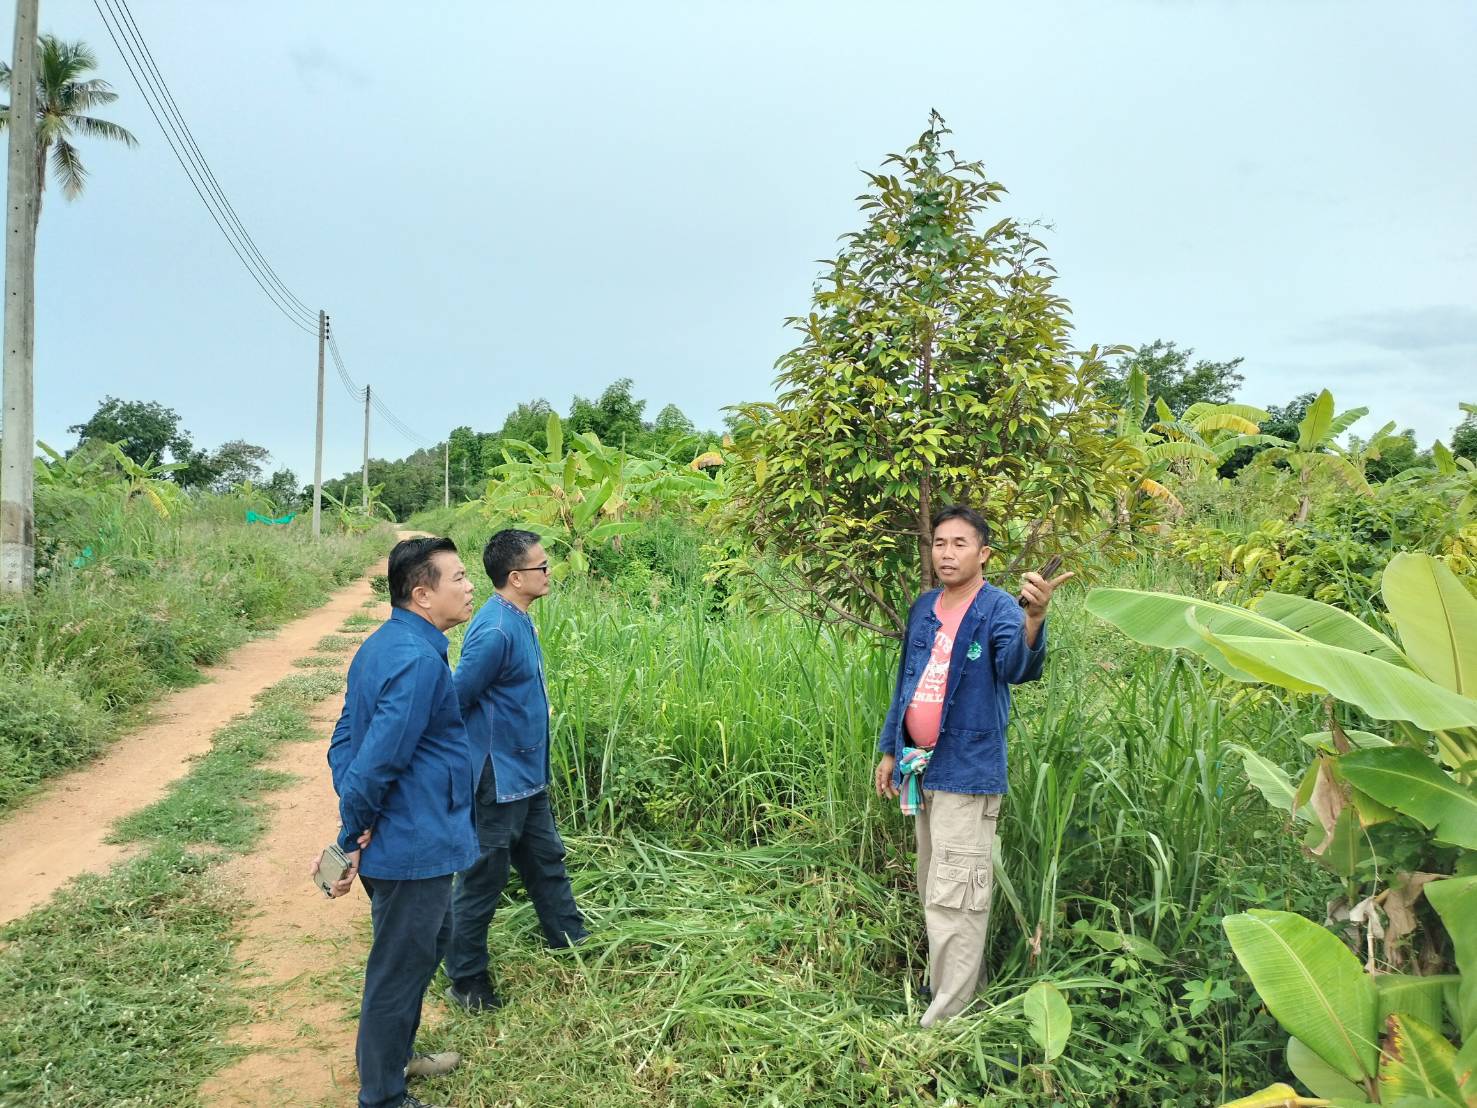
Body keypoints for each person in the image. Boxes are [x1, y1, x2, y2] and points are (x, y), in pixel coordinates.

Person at [873, 505, 1071, 1028]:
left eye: (960, 543)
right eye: (939, 543)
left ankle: (946, 1021)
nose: (947, 553)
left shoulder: (1000, 608)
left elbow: (1016, 667)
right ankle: (958, 989)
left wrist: (1034, 618)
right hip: (921, 767)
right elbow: (907, 683)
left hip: (967, 770)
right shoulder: (924, 607)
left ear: (983, 553)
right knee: (934, 885)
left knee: (956, 895)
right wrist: (890, 749)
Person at [319, 536, 480, 1108]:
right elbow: (376, 756)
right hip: (412, 843)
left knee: (423, 949)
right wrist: (352, 829)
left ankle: (394, 1059)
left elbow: (344, 739)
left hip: (414, 833)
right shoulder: (414, 660)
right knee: (398, 967)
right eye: (457, 578)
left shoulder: (387, 644)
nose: (469, 587)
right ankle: (383, 1094)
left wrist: (356, 814)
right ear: (421, 594)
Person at [443, 528, 588, 1012]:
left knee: (546, 859)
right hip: (498, 776)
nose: (548, 573)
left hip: (528, 771)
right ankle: (466, 979)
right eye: (540, 567)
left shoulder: (519, 618)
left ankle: (568, 938)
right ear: (514, 577)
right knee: (484, 878)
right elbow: (457, 698)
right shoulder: (496, 629)